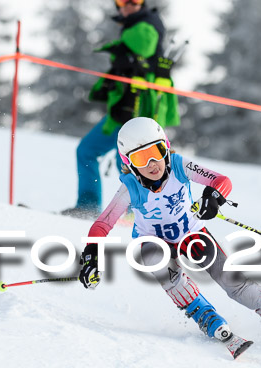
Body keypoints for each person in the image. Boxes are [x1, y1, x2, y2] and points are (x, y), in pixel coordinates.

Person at [77, 117, 261, 362]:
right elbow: (103, 224)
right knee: (154, 257)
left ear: (166, 147)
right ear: (129, 163)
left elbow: (221, 181)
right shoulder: (130, 187)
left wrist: (213, 197)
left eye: (156, 151)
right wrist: (91, 255)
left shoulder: (178, 165)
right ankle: (205, 316)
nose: (153, 163)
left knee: (234, 284)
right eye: (141, 158)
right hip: (153, 241)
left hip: (191, 234)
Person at [62, 0, 180, 219]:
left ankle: (136, 213)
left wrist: (121, 47)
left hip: (141, 105)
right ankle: (88, 207)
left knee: (128, 159)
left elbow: (144, 45)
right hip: (123, 107)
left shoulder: (148, 23)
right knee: (87, 151)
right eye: (121, 2)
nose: (126, 5)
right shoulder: (133, 25)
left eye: (133, 1)